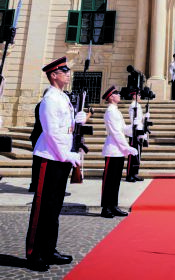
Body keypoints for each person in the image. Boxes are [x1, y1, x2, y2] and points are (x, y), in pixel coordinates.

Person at [25, 57, 87, 272]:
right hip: (50, 158)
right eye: (64, 71)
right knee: (43, 207)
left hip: (61, 159)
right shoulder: (49, 99)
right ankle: (35, 254)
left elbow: (65, 128)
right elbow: (50, 132)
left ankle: (49, 250)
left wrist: (78, 120)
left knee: (54, 207)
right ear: (54, 75)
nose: (68, 73)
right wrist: (66, 154)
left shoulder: (63, 97)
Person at [100, 85, 138, 218]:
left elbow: (123, 129)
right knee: (109, 180)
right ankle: (106, 207)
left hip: (119, 151)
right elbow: (116, 133)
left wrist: (136, 126)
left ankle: (113, 205)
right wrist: (127, 147)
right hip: (113, 149)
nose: (119, 95)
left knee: (116, 181)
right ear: (111, 97)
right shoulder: (110, 111)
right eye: (117, 94)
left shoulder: (116, 111)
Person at [125, 88, 145, 182]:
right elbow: (134, 119)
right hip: (134, 132)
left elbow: (140, 118)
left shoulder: (138, 105)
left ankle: (135, 173)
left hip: (139, 131)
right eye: (138, 95)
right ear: (134, 96)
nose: (140, 96)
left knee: (138, 154)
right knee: (132, 154)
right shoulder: (133, 105)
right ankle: (129, 174)